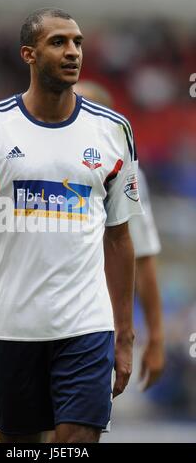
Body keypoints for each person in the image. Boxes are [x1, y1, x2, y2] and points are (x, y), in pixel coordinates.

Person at [0, 8, 143, 443]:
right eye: (58, 42)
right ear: (28, 54)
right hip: (10, 324)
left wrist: (125, 334)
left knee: (78, 440)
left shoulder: (114, 131)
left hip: (86, 324)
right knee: (22, 446)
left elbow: (121, 237)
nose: (73, 52)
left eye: (78, 42)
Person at [74, 80, 165, 390]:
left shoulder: (123, 172)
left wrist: (155, 336)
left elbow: (142, 254)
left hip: (93, 320)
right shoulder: (35, 164)